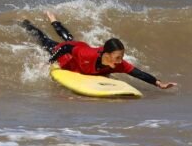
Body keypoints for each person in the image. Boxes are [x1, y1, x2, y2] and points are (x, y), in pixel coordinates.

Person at [19, 11, 176, 89]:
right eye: (117, 57)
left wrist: (159, 83)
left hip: (80, 47)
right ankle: (26, 23)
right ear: (106, 55)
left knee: (70, 39)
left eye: (121, 57)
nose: (120, 61)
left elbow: (138, 73)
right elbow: (67, 48)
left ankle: (54, 19)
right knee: (46, 41)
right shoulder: (87, 55)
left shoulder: (117, 64)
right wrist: (50, 62)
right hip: (69, 54)